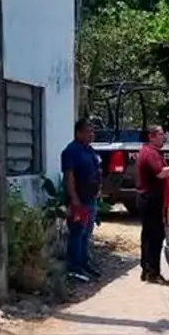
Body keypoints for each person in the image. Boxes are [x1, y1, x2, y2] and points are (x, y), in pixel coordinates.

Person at [61, 119, 102, 282]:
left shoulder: (89, 150)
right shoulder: (71, 151)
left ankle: (84, 263)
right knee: (77, 233)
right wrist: (74, 199)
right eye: (88, 131)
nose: (91, 135)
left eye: (93, 132)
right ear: (78, 133)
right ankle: (74, 268)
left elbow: (96, 170)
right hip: (79, 200)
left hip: (90, 198)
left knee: (86, 233)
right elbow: (69, 177)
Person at [136, 125, 169, 284]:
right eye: (160, 134)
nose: (163, 137)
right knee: (155, 236)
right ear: (151, 136)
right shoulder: (150, 153)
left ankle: (146, 270)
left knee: (148, 236)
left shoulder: (150, 151)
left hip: (148, 198)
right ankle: (152, 272)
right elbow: (160, 173)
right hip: (151, 199)